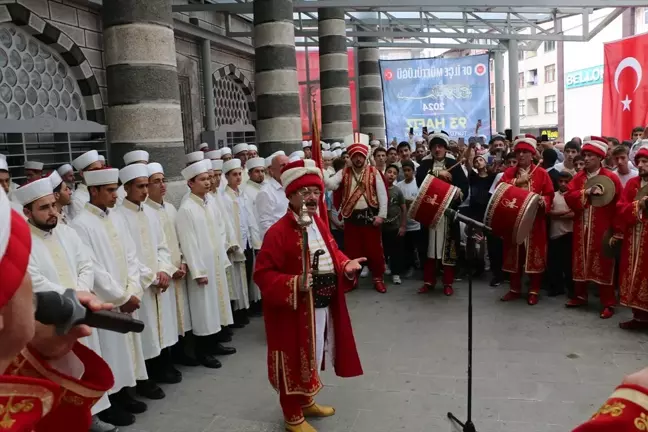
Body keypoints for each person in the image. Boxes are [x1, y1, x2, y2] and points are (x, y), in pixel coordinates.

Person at [254, 159, 364, 432]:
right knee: (292, 360)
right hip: (292, 311)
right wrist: (294, 283)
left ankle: (305, 401)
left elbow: (332, 252)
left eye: (315, 191)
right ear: (290, 195)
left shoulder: (318, 223)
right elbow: (263, 275)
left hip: (321, 306)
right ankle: (292, 416)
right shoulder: (277, 233)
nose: (312, 197)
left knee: (312, 357)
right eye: (304, 193)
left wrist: (345, 263)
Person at [0, 186, 117, 432]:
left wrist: (79, 294)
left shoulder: (67, 232)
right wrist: (70, 299)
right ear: (27, 211)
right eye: (44, 207)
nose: (53, 212)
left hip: (80, 311)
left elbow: (86, 264)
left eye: (54, 205)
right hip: (52, 318)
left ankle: (93, 412)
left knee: (85, 368)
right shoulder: (24, 240)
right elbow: (35, 281)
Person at [69, 168, 150, 427]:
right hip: (106, 301)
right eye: (111, 190)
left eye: (116, 189)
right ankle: (111, 402)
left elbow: (131, 255)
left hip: (127, 294)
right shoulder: (80, 224)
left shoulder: (116, 218)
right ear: (93, 191)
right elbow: (92, 268)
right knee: (111, 352)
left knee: (127, 351)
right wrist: (119, 296)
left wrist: (133, 289)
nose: (117, 195)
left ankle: (127, 393)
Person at [115, 164, 180, 392]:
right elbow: (128, 255)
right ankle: (146, 377)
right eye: (140, 186)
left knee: (162, 326)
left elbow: (163, 246)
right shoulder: (119, 217)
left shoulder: (152, 213)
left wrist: (164, 269)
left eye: (146, 185)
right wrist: (152, 277)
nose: (144, 191)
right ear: (127, 188)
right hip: (141, 283)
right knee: (146, 330)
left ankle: (163, 365)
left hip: (159, 281)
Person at [175, 160, 235, 369]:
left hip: (215, 261)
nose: (208, 182)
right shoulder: (187, 209)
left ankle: (214, 342)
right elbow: (188, 242)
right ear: (190, 183)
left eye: (209, 178)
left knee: (217, 306)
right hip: (201, 267)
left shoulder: (209, 202)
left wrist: (222, 253)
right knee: (204, 309)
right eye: (203, 179)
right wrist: (198, 270)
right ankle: (203, 350)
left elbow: (220, 229)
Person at [144, 163, 197, 366]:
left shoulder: (171, 208)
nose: (162, 185)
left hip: (178, 270)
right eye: (156, 181)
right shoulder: (147, 212)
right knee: (164, 321)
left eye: (163, 180)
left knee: (180, 316)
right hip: (164, 274)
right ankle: (166, 362)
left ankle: (182, 353)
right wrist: (168, 268)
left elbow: (178, 238)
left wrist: (182, 261)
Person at [564, 136, 622, 319]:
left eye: (590, 155)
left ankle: (608, 302)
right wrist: (586, 192)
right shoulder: (579, 178)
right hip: (582, 227)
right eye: (585, 155)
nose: (586, 159)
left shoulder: (611, 178)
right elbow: (569, 197)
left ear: (600, 158)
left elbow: (619, 205)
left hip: (603, 228)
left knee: (604, 264)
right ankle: (580, 296)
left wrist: (617, 230)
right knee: (580, 261)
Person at [327, 133, 388, 293]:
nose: (358, 159)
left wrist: (381, 215)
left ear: (365, 157)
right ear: (351, 158)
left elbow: (382, 195)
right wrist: (321, 171)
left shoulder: (374, 172)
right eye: (355, 156)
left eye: (361, 156)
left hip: (370, 219)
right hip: (351, 220)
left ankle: (378, 279)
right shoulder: (343, 172)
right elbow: (331, 185)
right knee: (352, 252)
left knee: (375, 252)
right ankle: (352, 280)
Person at [498, 134, 554, 306]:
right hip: (514, 222)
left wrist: (542, 201)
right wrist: (516, 181)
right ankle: (514, 289)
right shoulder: (509, 173)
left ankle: (534, 290)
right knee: (515, 256)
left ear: (532, 154)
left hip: (534, 223)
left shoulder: (542, 174)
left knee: (534, 256)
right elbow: (500, 190)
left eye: (525, 152)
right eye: (518, 152)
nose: (521, 155)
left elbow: (549, 194)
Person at [415, 131, 469, 296]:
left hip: (447, 214)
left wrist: (457, 193)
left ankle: (447, 282)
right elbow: (420, 181)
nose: (437, 150)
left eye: (440, 146)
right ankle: (429, 281)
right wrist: (438, 174)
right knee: (429, 248)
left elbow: (464, 188)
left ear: (445, 148)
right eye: (434, 147)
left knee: (449, 249)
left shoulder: (455, 164)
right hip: (429, 212)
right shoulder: (425, 165)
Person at [222, 159, 261, 324]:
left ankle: (247, 308)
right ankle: (238, 313)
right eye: (234, 175)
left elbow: (250, 218)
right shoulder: (224, 198)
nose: (238, 178)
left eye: (239, 174)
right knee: (237, 278)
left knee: (247, 277)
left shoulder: (242, 194)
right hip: (236, 244)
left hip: (247, 242)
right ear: (227, 177)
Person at [617, 141, 648, 329]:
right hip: (633, 239)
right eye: (640, 162)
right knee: (632, 273)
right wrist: (639, 206)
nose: (642, 165)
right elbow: (621, 208)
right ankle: (639, 318)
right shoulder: (631, 183)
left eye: (646, 161)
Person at [547, 171, 575, 298]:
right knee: (554, 263)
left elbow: (574, 214)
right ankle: (557, 288)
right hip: (555, 233)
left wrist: (557, 214)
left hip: (569, 233)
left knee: (569, 264)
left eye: (566, 181)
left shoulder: (574, 196)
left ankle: (571, 289)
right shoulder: (552, 196)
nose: (563, 184)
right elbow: (548, 212)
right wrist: (564, 213)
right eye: (561, 181)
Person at [396, 160, 420, 280]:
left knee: (417, 246)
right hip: (404, 222)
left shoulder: (418, 184)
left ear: (413, 171)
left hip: (416, 222)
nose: (406, 173)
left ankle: (418, 267)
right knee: (406, 248)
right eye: (404, 170)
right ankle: (408, 267)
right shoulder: (399, 185)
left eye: (408, 170)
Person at [383, 164, 407, 285]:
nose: (391, 174)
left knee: (396, 252)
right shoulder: (378, 189)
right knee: (383, 251)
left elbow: (403, 208)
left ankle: (396, 274)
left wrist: (403, 226)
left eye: (394, 173)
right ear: (384, 173)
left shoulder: (398, 191)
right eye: (389, 172)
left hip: (395, 227)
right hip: (381, 228)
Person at [256, 151, 289, 240]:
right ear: (272, 170)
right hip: (279, 240)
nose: (287, 168)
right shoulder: (265, 192)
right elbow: (266, 225)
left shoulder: (291, 187)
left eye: (288, 164)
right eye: (282, 165)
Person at [69, 150, 103, 220]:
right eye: (95, 170)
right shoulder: (77, 199)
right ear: (82, 173)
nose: (99, 172)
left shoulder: (102, 191)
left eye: (100, 169)